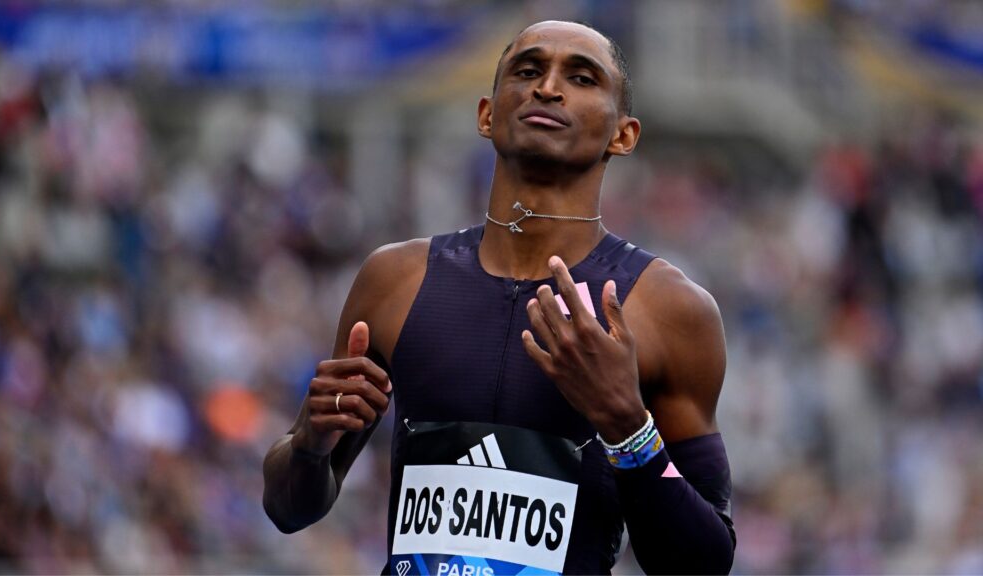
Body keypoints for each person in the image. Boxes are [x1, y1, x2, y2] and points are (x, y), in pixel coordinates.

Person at [263, 20, 735, 575]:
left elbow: (704, 563)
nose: (548, 88)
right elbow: (289, 509)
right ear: (487, 115)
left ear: (623, 135)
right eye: (528, 71)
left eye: (582, 78)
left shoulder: (669, 310)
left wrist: (628, 426)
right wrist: (311, 444)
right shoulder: (394, 280)